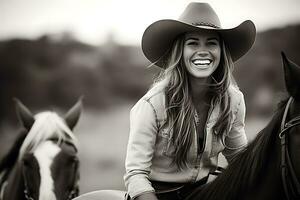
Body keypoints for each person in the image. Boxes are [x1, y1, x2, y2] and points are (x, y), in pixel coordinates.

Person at [124, 2, 256, 200]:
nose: (202, 51)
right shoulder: (152, 105)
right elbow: (136, 174)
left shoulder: (233, 101)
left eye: (211, 43)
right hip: (158, 195)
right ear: (180, 51)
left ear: (221, 51)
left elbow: (241, 161)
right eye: (193, 43)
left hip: (206, 192)